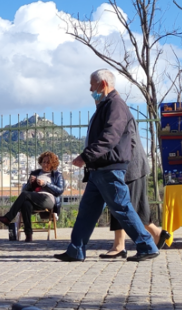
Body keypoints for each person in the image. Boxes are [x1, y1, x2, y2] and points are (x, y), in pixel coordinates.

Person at [55, 70, 160, 262]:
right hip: (99, 169)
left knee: (122, 208)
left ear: (103, 84)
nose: (90, 89)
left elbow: (110, 136)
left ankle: (147, 246)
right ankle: (75, 250)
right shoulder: (106, 105)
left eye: (92, 85)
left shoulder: (115, 105)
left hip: (110, 168)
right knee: (87, 211)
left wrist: (85, 156)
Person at [101, 125, 169, 258]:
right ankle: (156, 233)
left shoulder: (115, 109)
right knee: (132, 205)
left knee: (120, 202)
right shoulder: (117, 109)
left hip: (130, 165)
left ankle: (120, 245)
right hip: (133, 164)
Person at [0, 151, 65, 242]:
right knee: (26, 204)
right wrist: (29, 184)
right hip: (34, 197)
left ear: (52, 164)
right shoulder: (35, 173)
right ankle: (28, 235)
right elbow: (26, 190)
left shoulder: (57, 175)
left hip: (48, 199)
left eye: (48, 162)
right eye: (44, 161)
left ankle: (8, 218)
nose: (45, 164)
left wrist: (45, 184)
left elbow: (59, 190)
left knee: (25, 196)